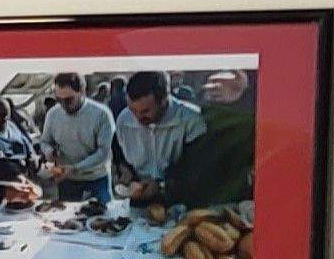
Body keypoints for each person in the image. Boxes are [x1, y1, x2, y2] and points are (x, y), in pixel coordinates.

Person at [114, 69, 213, 207]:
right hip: (139, 198)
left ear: (164, 100)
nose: (137, 118)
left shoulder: (191, 120)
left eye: (145, 111)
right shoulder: (124, 119)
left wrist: (162, 185)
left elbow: (198, 170)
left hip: (181, 200)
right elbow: (120, 156)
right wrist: (125, 172)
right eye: (133, 110)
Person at [38, 70, 117, 207]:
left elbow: (103, 153)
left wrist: (75, 168)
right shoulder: (53, 114)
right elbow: (45, 141)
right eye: (59, 99)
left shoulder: (101, 114)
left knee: (104, 218)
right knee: (67, 221)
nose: (63, 105)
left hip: (97, 178)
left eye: (69, 100)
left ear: (82, 92)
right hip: (67, 180)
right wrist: (49, 152)